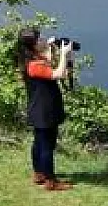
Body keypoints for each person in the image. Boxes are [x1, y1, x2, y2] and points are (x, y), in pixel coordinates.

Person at [17, 28, 73, 191]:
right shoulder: (34, 65)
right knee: (47, 145)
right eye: (39, 39)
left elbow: (48, 63)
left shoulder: (32, 59)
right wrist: (63, 54)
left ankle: (39, 173)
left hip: (40, 108)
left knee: (40, 143)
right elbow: (58, 74)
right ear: (33, 45)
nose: (43, 39)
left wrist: (53, 49)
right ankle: (51, 181)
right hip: (45, 110)